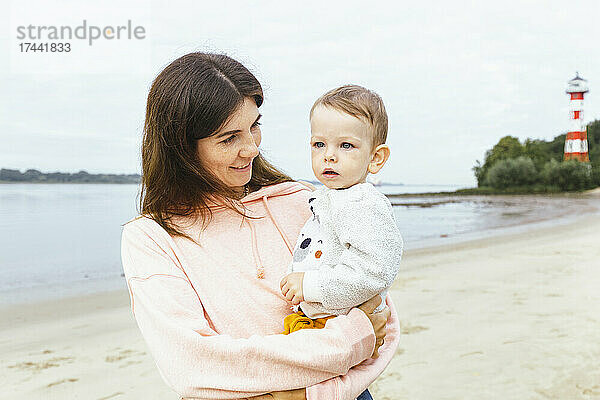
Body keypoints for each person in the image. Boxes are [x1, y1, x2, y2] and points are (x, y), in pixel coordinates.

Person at [120, 52, 400, 400]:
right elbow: (193, 365)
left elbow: (378, 313)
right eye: (228, 138)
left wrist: (311, 390)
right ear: (181, 147)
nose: (251, 148)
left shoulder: (305, 199)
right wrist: (348, 344)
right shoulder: (150, 238)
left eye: (255, 125)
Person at [280, 85, 403, 344]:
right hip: (319, 319)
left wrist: (310, 285)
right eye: (319, 144)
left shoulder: (364, 203)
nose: (329, 156)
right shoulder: (328, 196)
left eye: (346, 145)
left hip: (339, 323)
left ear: (376, 157)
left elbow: (374, 271)